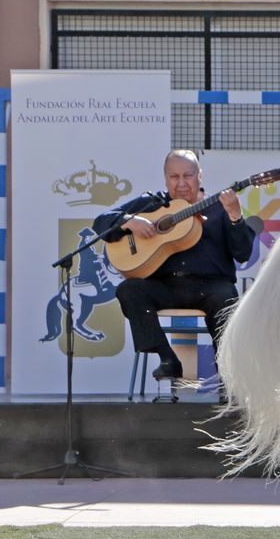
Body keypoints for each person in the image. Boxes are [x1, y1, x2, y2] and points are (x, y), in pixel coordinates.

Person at [93, 149, 256, 381]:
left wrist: (235, 216)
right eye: (174, 177)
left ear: (200, 175)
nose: (181, 183)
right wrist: (128, 221)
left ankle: (228, 376)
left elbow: (243, 253)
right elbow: (101, 223)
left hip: (210, 287)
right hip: (164, 286)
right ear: (165, 178)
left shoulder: (219, 207)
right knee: (129, 290)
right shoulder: (152, 204)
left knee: (226, 298)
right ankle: (167, 358)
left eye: (188, 176)